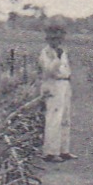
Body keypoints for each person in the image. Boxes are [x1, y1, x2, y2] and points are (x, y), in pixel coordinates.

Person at [38, 24, 75, 161]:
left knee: (65, 118)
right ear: (48, 40)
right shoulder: (46, 53)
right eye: (53, 39)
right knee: (54, 119)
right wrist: (57, 59)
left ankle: (63, 150)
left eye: (58, 39)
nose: (56, 42)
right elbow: (49, 71)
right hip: (54, 85)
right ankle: (51, 153)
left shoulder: (61, 51)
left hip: (64, 84)